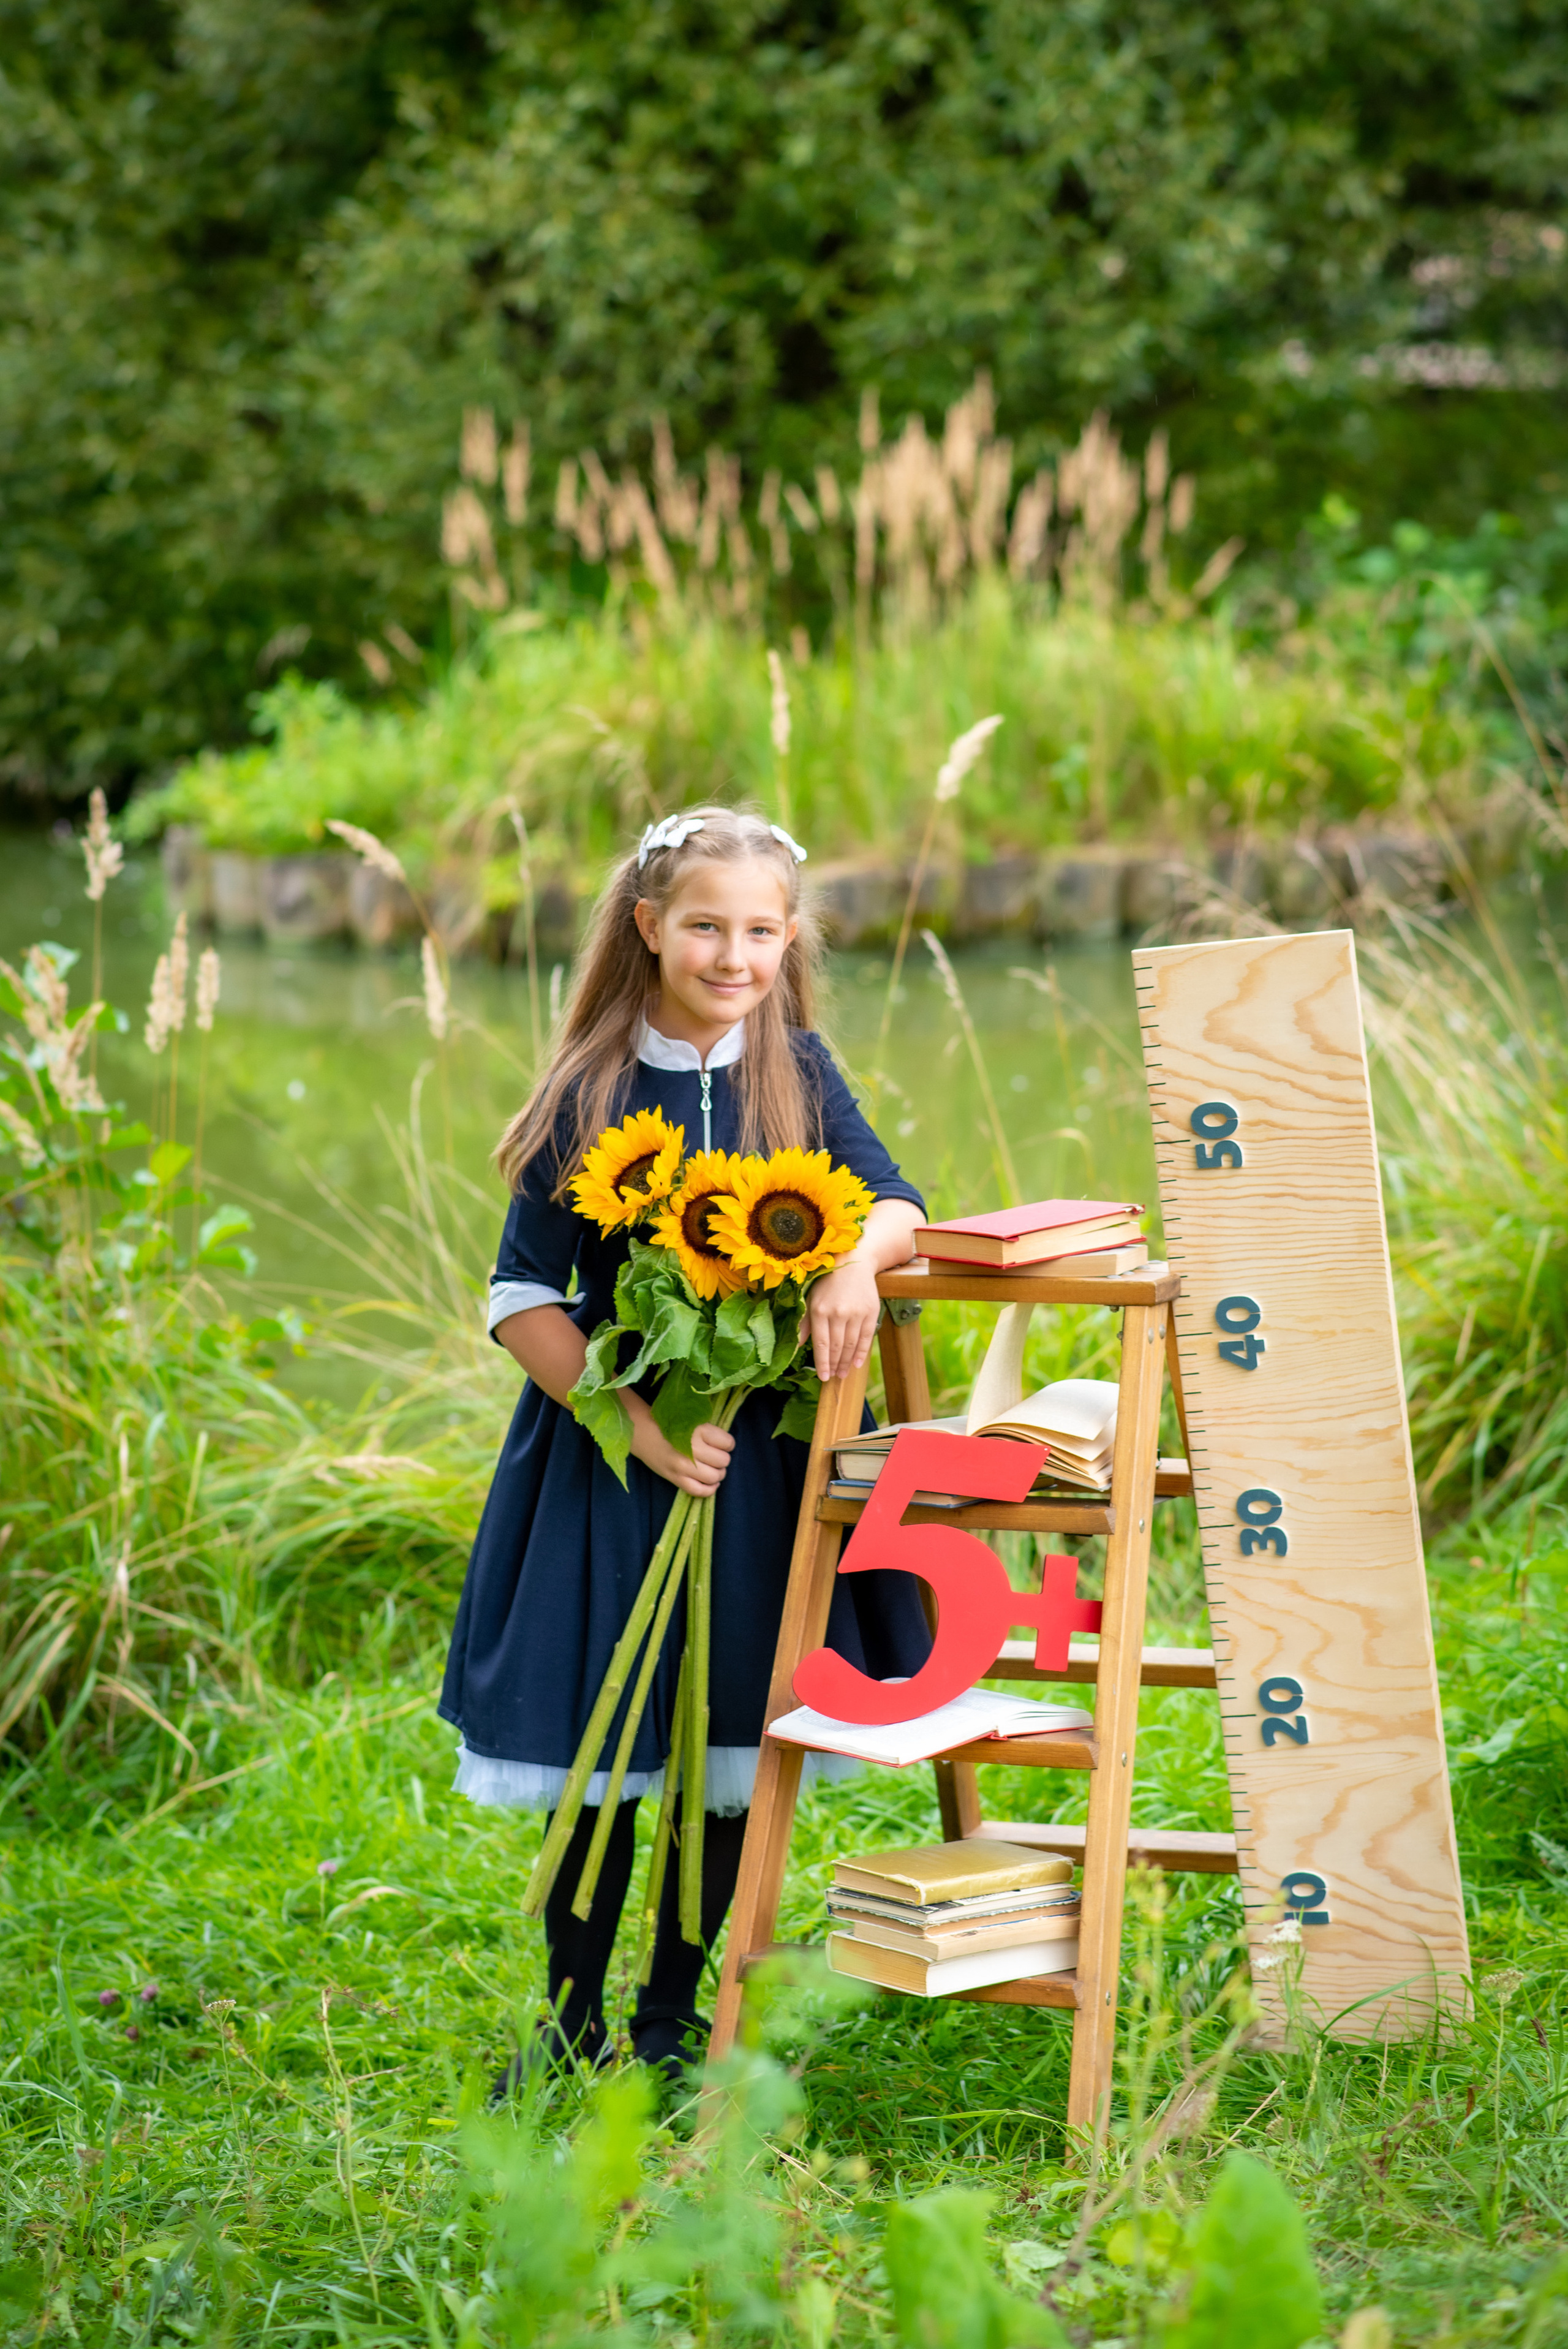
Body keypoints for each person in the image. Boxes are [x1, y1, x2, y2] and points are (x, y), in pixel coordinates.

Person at [439, 804, 932, 2088]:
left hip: (761, 1459)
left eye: (760, 930)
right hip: (611, 1462)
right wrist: (638, 1427)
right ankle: (567, 2013)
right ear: (649, 928)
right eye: (706, 927)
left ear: (788, 938)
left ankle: (668, 2015)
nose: (734, 955)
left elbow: (892, 1202)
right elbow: (519, 1297)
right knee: (605, 1740)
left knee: (726, 1738)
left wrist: (853, 1275)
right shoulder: (593, 1089)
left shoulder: (800, 1073)